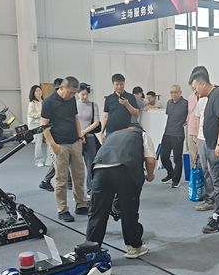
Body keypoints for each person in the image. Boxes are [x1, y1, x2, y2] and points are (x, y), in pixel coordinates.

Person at [86, 124, 157, 259]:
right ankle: (134, 247)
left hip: (100, 168)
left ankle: (90, 250)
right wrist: (150, 175)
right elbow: (150, 160)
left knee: (97, 212)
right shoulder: (142, 135)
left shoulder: (114, 134)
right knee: (128, 209)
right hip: (125, 168)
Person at [190, 68, 219, 234]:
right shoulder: (210, 97)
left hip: (218, 147)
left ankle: (217, 218)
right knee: (218, 180)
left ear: (202, 83)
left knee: (218, 183)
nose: (195, 92)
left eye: (195, 88)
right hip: (211, 145)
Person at [41, 76, 88, 222]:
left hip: (75, 142)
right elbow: (44, 126)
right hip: (59, 144)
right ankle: (62, 210)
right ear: (61, 88)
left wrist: (80, 135)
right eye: (70, 92)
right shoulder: (49, 102)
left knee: (79, 175)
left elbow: (75, 118)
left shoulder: (71, 100)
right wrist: (53, 145)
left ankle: (81, 205)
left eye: (74, 93)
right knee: (61, 179)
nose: (72, 95)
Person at [159, 85, 188, 188]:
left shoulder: (185, 103)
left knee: (177, 159)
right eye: (171, 92)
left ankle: (176, 180)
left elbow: (191, 115)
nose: (173, 94)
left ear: (180, 92)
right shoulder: (169, 103)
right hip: (167, 133)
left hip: (178, 135)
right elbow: (170, 117)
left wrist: (187, 121)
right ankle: (171, 173)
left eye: (176, 92)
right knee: (163, 156)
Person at [76, 83, 101, 198]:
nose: (85, 97)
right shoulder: (73, 105)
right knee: (76, 167)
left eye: (86, 94)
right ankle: (78, 192)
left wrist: (84, 132)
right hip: (76, 138)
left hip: (89, 137)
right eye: (82, 94)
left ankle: (90, 189)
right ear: (77, 94)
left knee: (91, 164)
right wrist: (79, 134)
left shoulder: (93, 105)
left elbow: (96, 122)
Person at [39, 78, 63, 191]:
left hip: (62, 134)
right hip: (54, 135)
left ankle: (46, 181)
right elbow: (44, 123)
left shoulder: (65, 100)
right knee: (58, 160)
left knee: (61, 159)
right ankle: (46, 181)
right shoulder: (49, 102)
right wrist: (51, 141)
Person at [27, 84, 51, 168]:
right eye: (37, 91)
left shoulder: (44, 101)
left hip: (45, 124)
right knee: (38, 143)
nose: (39, 92)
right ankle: (38, 161)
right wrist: (41, 115)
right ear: (33, 93)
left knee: (49, 142)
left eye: (40, 90)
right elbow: (31, 114)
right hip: (36, 124)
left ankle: (49, 160)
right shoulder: (32, 103)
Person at [186, 88, 200, 166]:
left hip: (200, 132)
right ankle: (194, 171)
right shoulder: (190, 97)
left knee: (202, 157)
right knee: (193, 157)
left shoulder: (205, 97)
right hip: (191, 130)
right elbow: (189, 113)